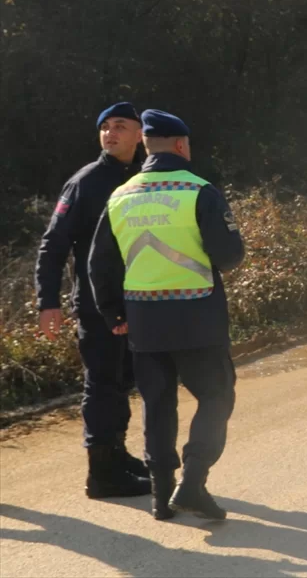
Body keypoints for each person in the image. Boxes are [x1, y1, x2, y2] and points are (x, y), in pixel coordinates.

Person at [89, 109, 245, 521]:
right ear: (181, 145)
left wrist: (112, 313)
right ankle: (192, 483)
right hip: (198, 319)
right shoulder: (199, 190)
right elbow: (229, 257)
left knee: (157, 405)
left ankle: (161, 497)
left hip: (144, 322)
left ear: (144, 146)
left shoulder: (120, 196)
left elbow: (98, 264)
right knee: (216, 395)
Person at [34, 102, 149, 500]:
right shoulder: (86, 182)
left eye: (120, 126)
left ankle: (117, 454)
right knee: (102, 383)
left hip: (139, 298)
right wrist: (47, 301)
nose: (110, 133)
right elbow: (53, 245)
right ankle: (102, 474)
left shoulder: (143, 178)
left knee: (123, 379)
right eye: (105, 127)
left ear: (140, 135)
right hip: (97, 302)